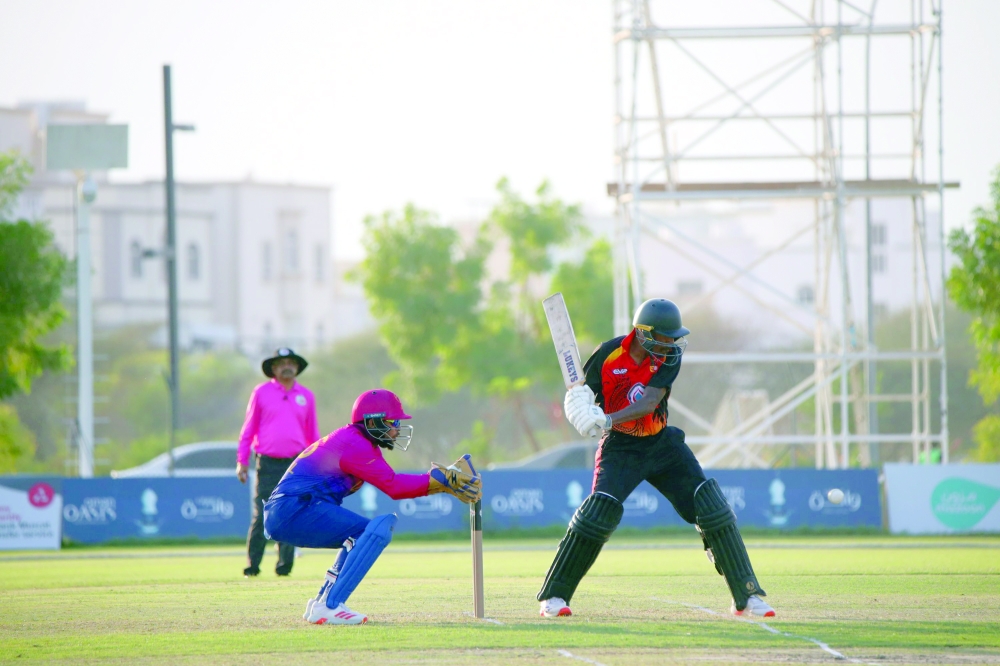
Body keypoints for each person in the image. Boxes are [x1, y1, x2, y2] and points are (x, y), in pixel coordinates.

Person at [538, 298, 775, 618]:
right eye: (664, 338)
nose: (670, 345)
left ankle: (747, 597)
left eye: (673, 338)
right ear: (642, 333)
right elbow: (581, 393)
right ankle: (554, 597)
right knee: (598, 512)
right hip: (620, 449)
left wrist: (607, 418)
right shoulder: (609, 354)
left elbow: (648, 402)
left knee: (710, 505)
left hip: (661, 444)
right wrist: (578, 409)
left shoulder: (667, 359)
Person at [263, 388, 482, 625]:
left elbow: (393, 483)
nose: (397, 428)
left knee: (356, 534)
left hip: (290, 509)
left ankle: (322, 602)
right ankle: (330, 605)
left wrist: (439, 484)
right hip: (295, 509)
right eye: (393, 421)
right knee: (369, 532)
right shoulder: (355, 444)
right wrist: (438, 480)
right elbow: (395, 486)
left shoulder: (356, 440)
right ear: (373, 421)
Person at [236, 347, 320, 577]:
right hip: (267, 463)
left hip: (295, 463)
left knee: (291, 512)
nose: (287, 366)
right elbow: (249, 429)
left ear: (297, 367)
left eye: (291, 363)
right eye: (282, 363)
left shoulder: (306, 396)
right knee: (262, 513)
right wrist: (241, 461)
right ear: (273, 368)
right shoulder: (261, 392)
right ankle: (252, 566)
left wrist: (317, 464)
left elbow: (312, 434)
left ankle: (284, 567)